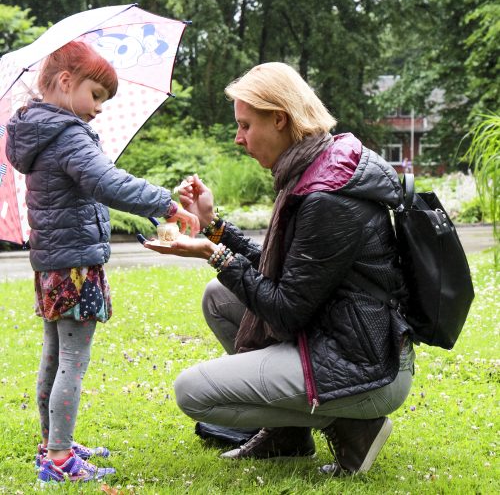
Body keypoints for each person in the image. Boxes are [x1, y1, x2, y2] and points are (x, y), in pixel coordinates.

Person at [145, 62, 415, 476]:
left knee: (192, 393)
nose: (239, 138)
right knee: (219, 299)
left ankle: (356, 425)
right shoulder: (315, 169)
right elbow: (288, 273)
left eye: (245, 126)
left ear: (280, 119)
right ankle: (287, 434)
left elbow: (286, 309)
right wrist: (214, 226)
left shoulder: (329, 198)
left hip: (365, 368)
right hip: (347, 339)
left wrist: (211, 254)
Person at [5, 41, 199, 484]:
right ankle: (58, 459)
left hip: (51, 263)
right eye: (96, 95)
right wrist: (166, 204)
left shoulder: (39, 132)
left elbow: (92, 186)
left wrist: (150, 210)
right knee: (73, 359)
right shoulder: (68, 133)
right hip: (75, 264)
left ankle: (54, 445)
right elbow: (107, 182)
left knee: (54, 357)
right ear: (66, 82)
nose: (99, 108)